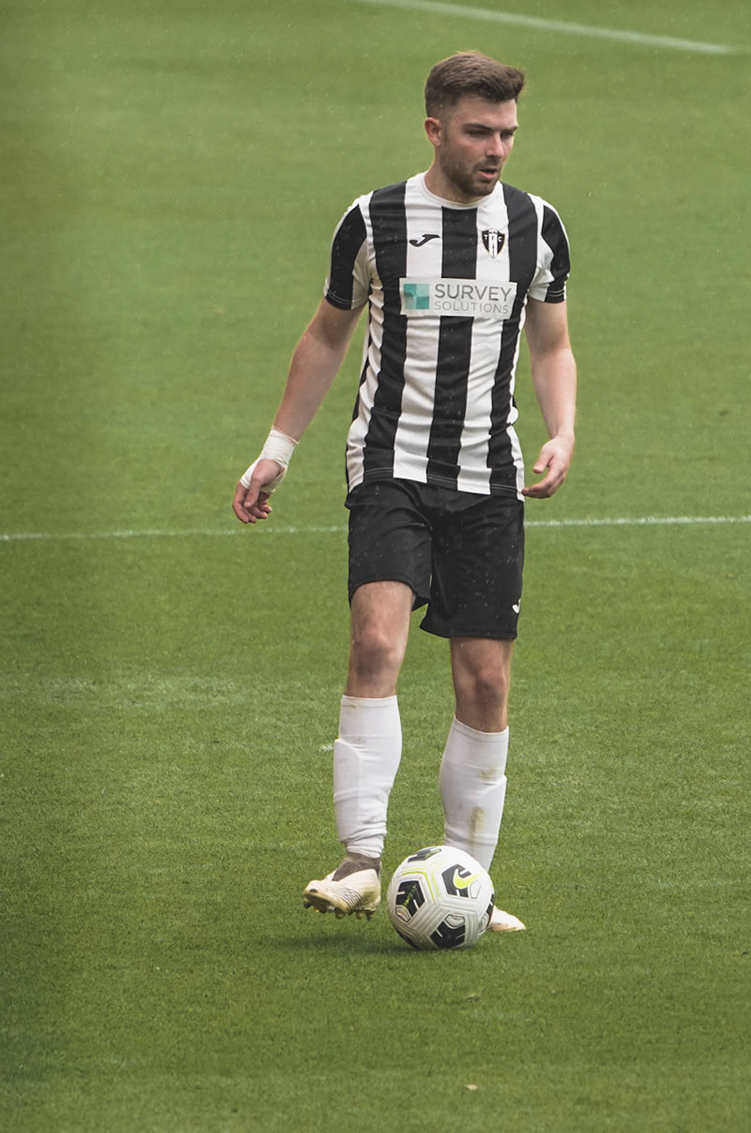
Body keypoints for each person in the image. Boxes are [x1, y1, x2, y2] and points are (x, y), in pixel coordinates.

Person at [231, 51, 576, 934]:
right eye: (478, 132)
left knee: (486, 680)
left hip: (489, 476)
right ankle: (359, 861)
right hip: (390, 464)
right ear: (434, 129)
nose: (496, 149)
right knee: (376, 642)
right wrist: (277, 450)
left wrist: (563, 429)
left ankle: (471, 878)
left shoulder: (536, 225)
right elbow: (326, 336)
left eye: (507, 133)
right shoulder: (374, 219)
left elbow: (551, 344)